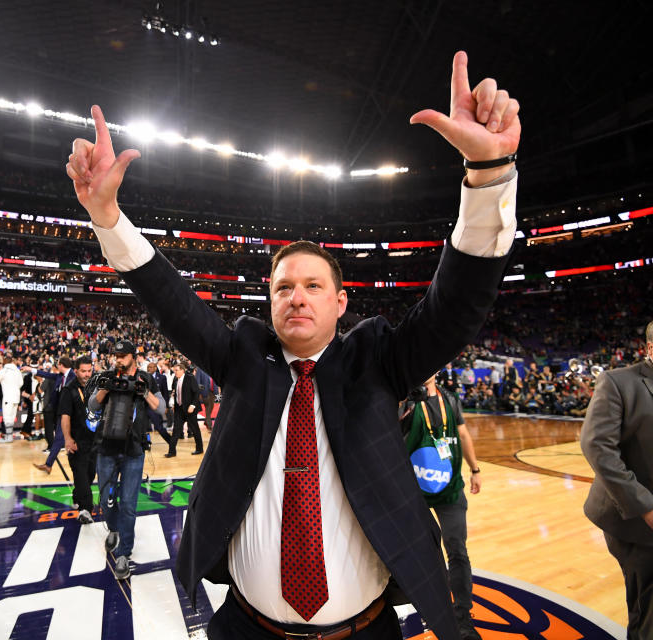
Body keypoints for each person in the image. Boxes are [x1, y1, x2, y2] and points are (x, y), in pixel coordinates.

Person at [67, 48, 519, 640]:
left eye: (313, 285)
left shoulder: (380, 360)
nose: (297, 297)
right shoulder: (243, 358)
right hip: (248, 629)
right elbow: (172, 302)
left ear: (340, 303)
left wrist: (488, 177)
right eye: (283, 288)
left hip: (367, 630)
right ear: (270, 302)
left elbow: (456, 306)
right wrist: (107, 216)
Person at [580, 315, 653, 640]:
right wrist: (644, 505)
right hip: (643, 523)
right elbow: (597, 446)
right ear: (649, 347)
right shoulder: (619, 381)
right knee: (649, 616)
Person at [400, 376, 483, 640]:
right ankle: (421, 606)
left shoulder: (450, 399)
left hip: (449, 489)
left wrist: (475, 469)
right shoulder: (404, 400)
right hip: (414, 490)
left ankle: (462, 617)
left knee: (457, 551)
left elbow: (462, 432)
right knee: (417, 552)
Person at [88, 339, 165, 579]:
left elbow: (161, 408)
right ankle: (113, 528)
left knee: (129, 504)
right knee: (104, 499)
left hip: (133, 449)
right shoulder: (105, 376)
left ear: (133, 356)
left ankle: (124, 552)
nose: (118, 359)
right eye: (116, 355)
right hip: (106, 447)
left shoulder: (146, 378)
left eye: (122, 355)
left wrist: (144, 391)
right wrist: (106, 388)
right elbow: (92, 405)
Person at [57, 356, 98, 523]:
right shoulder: (69, 389)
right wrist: (67, 439)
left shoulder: (97, 386)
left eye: (89, 370)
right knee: (81, 474)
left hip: (95, 440)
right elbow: (65, 416)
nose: (87, 374)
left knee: (89, 474)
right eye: (83, 371)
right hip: (77, 440)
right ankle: (85, 509)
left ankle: (77, 495)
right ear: (76, 371)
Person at [166, 359, 202, 457]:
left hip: (190, 409)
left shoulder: (190, 378)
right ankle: (172, 451)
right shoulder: (175, 379)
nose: (175, 372)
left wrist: (193, 405)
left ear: (182, 370)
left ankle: (199, 449)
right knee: (176, 431)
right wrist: (175, 404)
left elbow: (196, 392)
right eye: (174, 370)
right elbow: (176, 393)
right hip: (179, 409)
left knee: (195, 430)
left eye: (177, 370)